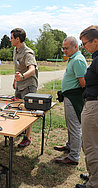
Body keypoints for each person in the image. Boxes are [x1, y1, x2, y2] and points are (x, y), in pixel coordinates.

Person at [54, 36, 87, 165]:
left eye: (66, 48)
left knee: (74, 126)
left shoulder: (78, 60)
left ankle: (74, 156)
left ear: (75, 47)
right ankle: (70, 145)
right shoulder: (73, 59)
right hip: (69, 96)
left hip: (74, 98)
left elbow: (83, 83)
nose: (64, 51)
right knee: (70, 124)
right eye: (63, 48)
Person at [76, 25, 98, 188]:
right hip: (92, 104)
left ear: (95, 41)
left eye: (85, 43)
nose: (83, 47)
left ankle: (94, 183)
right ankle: (93, 175)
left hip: (94, 106)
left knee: (91, 146)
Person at [10, 28, 38, 148]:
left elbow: (32, 69)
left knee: (28, 111)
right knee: (18, 108)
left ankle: (27, 137)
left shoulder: (28, 52)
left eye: (11, 37)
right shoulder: (15, 50)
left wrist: (22, 76)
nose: (10, 40)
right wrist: (15, 80)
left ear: (17, 39)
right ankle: (20, 131)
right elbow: (18, 68)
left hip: (28, 85)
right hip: (19, 84)